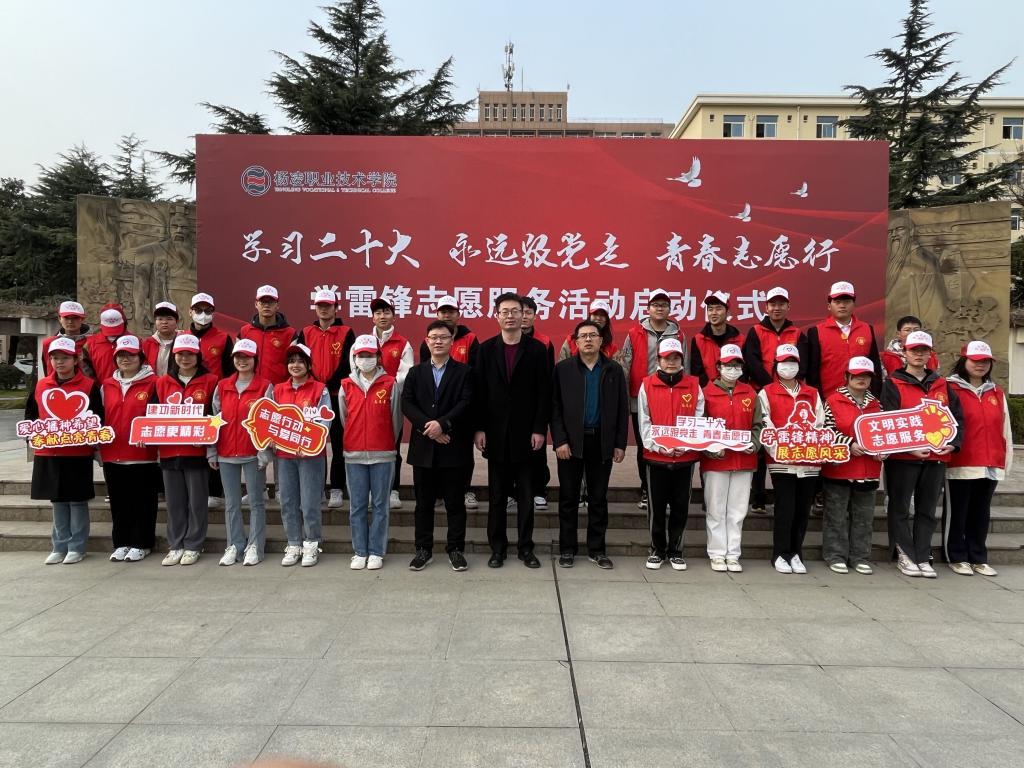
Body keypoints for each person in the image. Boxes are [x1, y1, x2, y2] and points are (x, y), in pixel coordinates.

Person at [474, 292, 551, 569]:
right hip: (495, 435)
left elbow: (545, 392)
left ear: (524, 315)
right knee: (497, 496)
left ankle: (526, 548)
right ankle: (498, 549)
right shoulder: (485, 350)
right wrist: (479, 428)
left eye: (515, 311)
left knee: (526, 496)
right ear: (496, 316)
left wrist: (539, 429)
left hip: (526, 435)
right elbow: (479, 392)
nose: (510, 316)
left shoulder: (537, 350)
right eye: (504, 311)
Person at [881, 331, 963, 578]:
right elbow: (888, 420)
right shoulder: (893, 383)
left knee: (927, 510)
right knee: (900, 508)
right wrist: (908, 448)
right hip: (903, 458)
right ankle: (905, 555)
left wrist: (953, 444)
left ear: (930, 354)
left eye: (923, 350)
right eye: (913, 350)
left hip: (936, 456)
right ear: (904, 353)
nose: (918, 354)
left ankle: (922, 555)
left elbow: (957, 418)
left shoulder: (942, 384)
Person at [551, 320, 629, 569]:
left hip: (601, 441)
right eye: (582, 336)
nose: (587, 340)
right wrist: (560, 440)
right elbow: (555, 408)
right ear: (575, 342)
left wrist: (620, 443)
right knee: (568, 498)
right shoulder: (563, 369)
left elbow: (622, 408)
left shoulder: (613, 370)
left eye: (592, 335)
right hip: (571, 442)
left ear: (600, 340)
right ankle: (567, 549)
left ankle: (597, 550)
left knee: (598, 498)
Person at [402, 321, 474, 571]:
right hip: (424, 448)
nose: (438, 341)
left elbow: (466, 403)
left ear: (452, 341)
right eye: (434, 337)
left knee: (455, 503)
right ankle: (423, 549)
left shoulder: (465, 372)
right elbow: (407, 404)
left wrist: (443, 425)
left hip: (454, 447)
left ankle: (455, 549)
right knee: (423, 505)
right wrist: (430, 429)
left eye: (444, 337)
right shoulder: (415, 373)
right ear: (427, 341)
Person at [26, 337, 103, 564]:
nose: (60, 362)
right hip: (48, 452)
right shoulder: (41, 385)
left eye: (65, 358)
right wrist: (32, 437)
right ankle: (59, 546)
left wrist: (93, 443)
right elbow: (31, 415)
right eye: (55, 358)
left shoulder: (88, 385)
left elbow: (97, 418)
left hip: (77, 453)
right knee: (57, 500)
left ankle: (77, 547)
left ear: (75, 360)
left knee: (77, 500)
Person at [753, 344, 825, 574]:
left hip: (809, 461)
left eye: (792, 362)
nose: (788, 366)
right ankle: (780, 554)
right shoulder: (766, 392)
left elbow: (820, 422)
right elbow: (766, 423)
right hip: (781, 461)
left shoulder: (812, 393)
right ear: (776, 366)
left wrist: (806, 447)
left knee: (803, 509)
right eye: (784, 362)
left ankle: (796, 554)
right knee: (785, 508)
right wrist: (779, 450)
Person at [944, 340, 1010, 577]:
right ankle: (956, 556)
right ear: (964, 361)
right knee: (958, 512)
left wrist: (1005, 461)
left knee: (981, 512)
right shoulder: (949, 388)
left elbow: (1005, 429)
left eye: (985, 362)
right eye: (975, 361)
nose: (980, 365)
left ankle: (978, 557)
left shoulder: (996, 392)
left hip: (990, 463)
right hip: (961, 462)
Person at [638, 338, 703, 570]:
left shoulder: (694, 385)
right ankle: (656, 550)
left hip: (685, 458)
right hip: (657, 458)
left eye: (676, 358)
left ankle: (676, 550)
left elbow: (698, 419)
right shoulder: (647, 385)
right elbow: (644, 421)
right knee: (656, 507)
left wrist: (687, 444)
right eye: (667, 358)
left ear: (682, 360)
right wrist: (658, 446)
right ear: (658, 360)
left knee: (680, 506)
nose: (671, 362)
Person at [154, 334, 219, 566]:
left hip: (197, 453)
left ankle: (193, 544)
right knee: (174, 503)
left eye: (190, 354)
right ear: (174, 356)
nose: (185, 358)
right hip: (169, 452)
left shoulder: (211, 381)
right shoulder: (161, 382)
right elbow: (152, 414)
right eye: (180, 354)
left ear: (198, 356)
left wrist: (209, 440)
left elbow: (216, 415)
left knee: (197, 502)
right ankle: (176, 545)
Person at [339, 335, 403, 571]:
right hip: (354, 454)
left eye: (370, 355)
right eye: (361, 355)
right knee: (356, 505)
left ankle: (376, 551)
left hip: (383, 454)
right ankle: (360, 551)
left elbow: (396, 420)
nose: (365, 359)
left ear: (378, 357)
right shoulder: (346, 385)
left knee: (379, 504)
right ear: (355, 358)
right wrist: (356, 437)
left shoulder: (390, 383)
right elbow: (345, 418)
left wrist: (385, 442)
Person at [209, 338, 273, 566]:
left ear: (255, 360)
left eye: (247, 357)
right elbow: (214, 420)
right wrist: (212, 451)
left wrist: (264, 452)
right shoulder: (222, 386)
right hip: (226, 452)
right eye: (238, 357)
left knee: (256, 502)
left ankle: (255, 546)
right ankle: (234, 545)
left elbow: (269, 422)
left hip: (253, 453)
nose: (242, 361)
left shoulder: (265, 386)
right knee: (232, 503)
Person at [743, 286, 806, 514]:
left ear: (788, 306)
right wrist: (770, 385)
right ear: (766, 307)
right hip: (762, 393)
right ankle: (758, 496)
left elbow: (803, 365)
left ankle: (784, 496)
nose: (776, 308)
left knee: (787, 442)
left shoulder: (798, 333)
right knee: (762, 443)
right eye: (772, 304)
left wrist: (785, 386)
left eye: (781, 304)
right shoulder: (755, 331)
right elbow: (751, 362)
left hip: (790, 395)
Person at [620, 288, 683, 511]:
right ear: (648, 308)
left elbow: (685, 365)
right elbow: (625, 364)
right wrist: (623, 396)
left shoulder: (678, 335)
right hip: (640, 398)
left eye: (663, 305)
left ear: (669, 309)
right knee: (644, 445)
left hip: (670, 399)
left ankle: (667, 494)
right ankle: (647, 489)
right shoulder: (634, 333)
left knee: (670, 444)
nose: (659, 308)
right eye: (655, 305)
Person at [100, 335, 160, 562]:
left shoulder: (154, 383)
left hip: (143, 455)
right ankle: (121, 542)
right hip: (112, 453)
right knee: (119, 502)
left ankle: (142, 543)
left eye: (131, 355)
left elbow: (157, 415)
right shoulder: (107, 384)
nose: (125, 359)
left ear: (140, 357)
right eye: (121, 355)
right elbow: (100, 416)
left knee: (143, 502)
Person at [821, 357, 884, 575]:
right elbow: (826, 431)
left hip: (869, 468)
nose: (861, 379)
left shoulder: (876, 403)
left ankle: (860, 556)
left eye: (866, 376)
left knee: (864, 517)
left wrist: (883, 449)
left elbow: (884, 432)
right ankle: (835, 555)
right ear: (847, 376)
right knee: (836, 515)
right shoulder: (833, 401)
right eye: (857, 375)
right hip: (840, 468)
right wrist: (849, 444)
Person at [419, 294, 480, 511]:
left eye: (451, 311)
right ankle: (437, 492)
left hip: (461, 410)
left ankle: (466, 490)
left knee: (463, 453)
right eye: (443, 311)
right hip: (434, 412)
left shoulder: (470, 339)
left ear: (458, 314)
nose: (447, 315)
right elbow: (424, 379)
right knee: (435, 450)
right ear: (437, 314)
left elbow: (475, 374)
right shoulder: (427, 342)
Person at [295, 288, 355, 511]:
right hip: (310, 398)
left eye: (328, 306)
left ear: (336, 308)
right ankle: (316, 488)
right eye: (320, 305)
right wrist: (315, 386)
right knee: (312, 443)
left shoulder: (346, 332)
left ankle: (337, 488)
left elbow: (348, 363)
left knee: (339, 444)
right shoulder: (306, 332)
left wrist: (328, 386)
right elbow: (300, 361)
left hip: (336, 395)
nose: (323, 309)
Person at [274, 342, 332, 567]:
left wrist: (308, 443)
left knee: (309, 503)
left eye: (300, 361)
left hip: (311, 456)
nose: (295, 365)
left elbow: (325, 420)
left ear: (309, 365)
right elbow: (270, 419)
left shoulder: (320, 389)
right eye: (291, 361)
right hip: (284, 456)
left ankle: (312, 543)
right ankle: (293, 543)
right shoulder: (278, 389)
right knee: (288, 501)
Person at [700, 344, 757, 573]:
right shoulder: (706, 393)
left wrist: (754, 444)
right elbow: (700, 427)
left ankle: (733, 554)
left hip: (744, 461)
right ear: (719, 367)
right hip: (716, 462)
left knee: (737, 511)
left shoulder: (750, 393)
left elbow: (759, 425)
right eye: (728, 365)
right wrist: (711, 450)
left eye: (736, 365)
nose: (732, 369)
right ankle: (716, 553)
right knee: (716, 509)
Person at [364, 296, 414, 511]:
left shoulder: (402, 343)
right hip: (367, 403)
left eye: (386, 312)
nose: (382, 316)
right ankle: (370, 491)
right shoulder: (363, 342)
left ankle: (393, 490)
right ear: (372, 317)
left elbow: (406, 373)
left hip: (393, 402)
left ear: (394, 316)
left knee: (393, 447)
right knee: (367, 446)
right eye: (378, 313)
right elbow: (356, 369)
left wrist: (385, 387)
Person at [805, 281, 882, 399]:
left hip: (863, 399)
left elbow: (875, 365)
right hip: (829, 399)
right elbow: (812, 373)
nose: (842, 305)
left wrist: (875, 397)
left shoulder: (867, 329)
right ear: (829, 306)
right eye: (837, 302)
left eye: (847, 302)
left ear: (854, 304)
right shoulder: (816, 332)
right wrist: (819, 401)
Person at [521, 295, 555, 512]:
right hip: (513, 408)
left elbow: (548, 378)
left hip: (536, 407)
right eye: (521, 312)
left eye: (528, 313)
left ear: (535, 316)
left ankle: (539, 491)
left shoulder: (544, 342)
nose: (524, 316)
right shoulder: (505, 339)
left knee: (537, 450)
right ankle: (513, 493)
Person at [238, 285, 295, 385]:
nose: (266, 305)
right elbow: (237, 363)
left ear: (277, 305)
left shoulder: (290, 333)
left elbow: (295, 365)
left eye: (271, 302)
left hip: (278, 389)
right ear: (256, 304)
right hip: (250, 388)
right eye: (263, 302)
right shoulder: (244, 331)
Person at [690, 291, 744, 388]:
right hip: (708, 392)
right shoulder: (698, 340)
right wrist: (712, 390)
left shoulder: (740, 339)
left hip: (735, 391)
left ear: (727, 313)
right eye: (710, 309)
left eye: (718, 309)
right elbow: (697, 372)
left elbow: (744, 369)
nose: (714, 313)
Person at [188, 292, 234, 379]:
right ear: (190, 312)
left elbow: (230, 371)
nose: (203, 314)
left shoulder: (224, 338)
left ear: (213, 314)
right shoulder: (181, 337)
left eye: (208, 311)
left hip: (216, 386)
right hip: (188, 386)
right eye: (198, 310)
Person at [41, 301, 91, 377]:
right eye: (66, 317)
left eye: (75, 318)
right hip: (55, 383)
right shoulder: (49, 343)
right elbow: (47, 369)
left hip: (86, 384)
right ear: (59, 318)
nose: (70, 321)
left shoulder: (92, 342)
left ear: (82, 319)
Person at [83, 303, 127, 383]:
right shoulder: (90, 344)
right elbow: (85, 368)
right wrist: (95, 386)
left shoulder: (134, 341)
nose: (113, 333)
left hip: (129, 388)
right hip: (100, 388)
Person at [141, 301, 181, 376]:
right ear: (155, 322)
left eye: (169, 319)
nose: (164, 322)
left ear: (177, 321)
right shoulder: (147, 344)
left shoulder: (183, 342)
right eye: (160, 319)